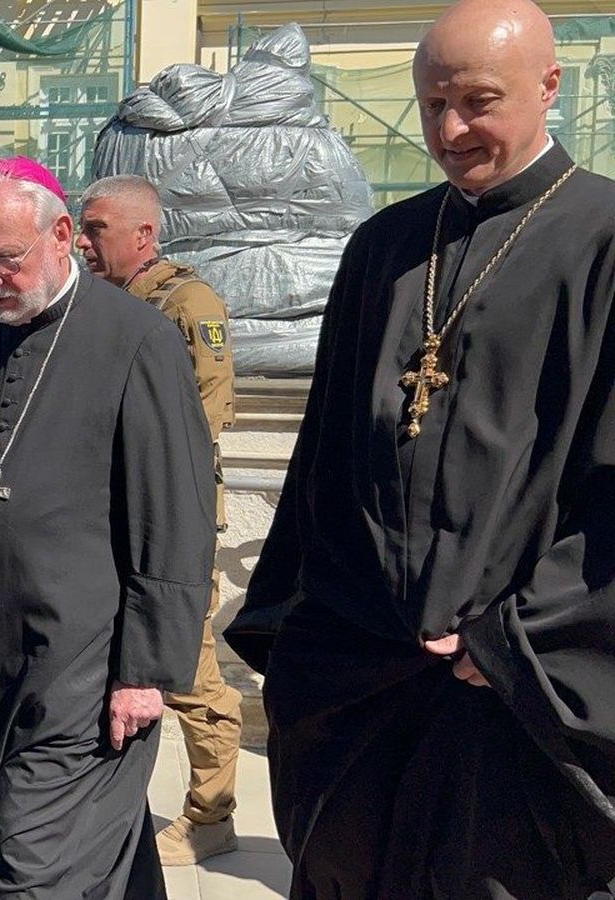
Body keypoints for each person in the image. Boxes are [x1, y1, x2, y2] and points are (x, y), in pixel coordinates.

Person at [224, 2, 615, 896]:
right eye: (432, 104)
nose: (450, 130)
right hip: (363, 686)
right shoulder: (384, 248)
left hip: (515, 705)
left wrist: (513, 641)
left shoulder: (604, 242)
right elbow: (325, 461)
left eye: (478, 101)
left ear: (548, 87)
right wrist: (305, 638)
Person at [0, 156, 215, 899]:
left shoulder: (138, 339)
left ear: (62, 236)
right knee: (86, 848)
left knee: (25, 873)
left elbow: (176, 515)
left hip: (89, 663)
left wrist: (147, 671)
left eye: (5, 260)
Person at [77, 174, 243, 866]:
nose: (82, 243)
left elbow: (201, 420)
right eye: (80, 229)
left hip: (168, 519)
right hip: (97, 519)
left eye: (97, 230)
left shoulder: (187, 303)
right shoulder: (91, 304)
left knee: (188, 665)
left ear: (144, 234)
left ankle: (212, 814)